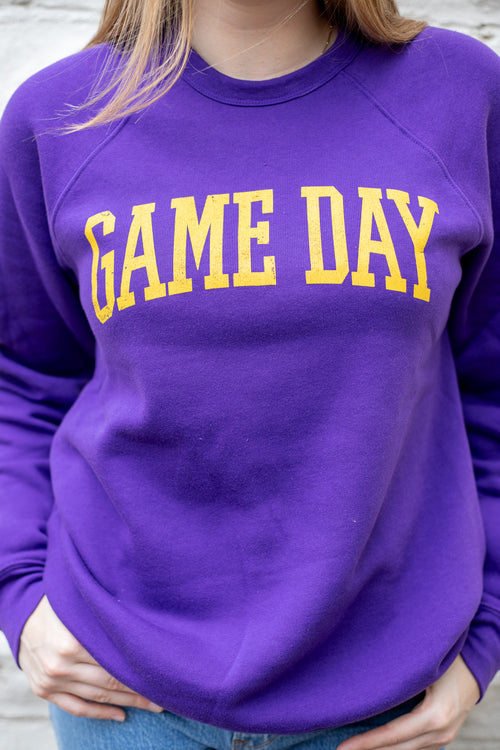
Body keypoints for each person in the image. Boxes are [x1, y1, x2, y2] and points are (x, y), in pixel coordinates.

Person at [0, 0, 499, 748]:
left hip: (379, 702)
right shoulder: (60, 117)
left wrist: (485, 633)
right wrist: (20, 593)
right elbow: (25, 375)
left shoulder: (459, 92)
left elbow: (492, 379)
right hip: (122, 699)